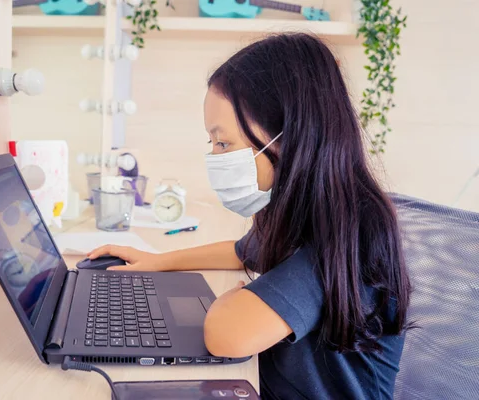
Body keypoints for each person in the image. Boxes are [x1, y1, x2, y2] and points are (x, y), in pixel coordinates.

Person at [89, 33, 411, 400]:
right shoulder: (301, 209)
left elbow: (227, 335)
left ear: (291, 136)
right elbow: (242, 251)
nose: (214, 156)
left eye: (223, 143)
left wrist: (233, 301)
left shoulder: (348, 236)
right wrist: (160, 261)